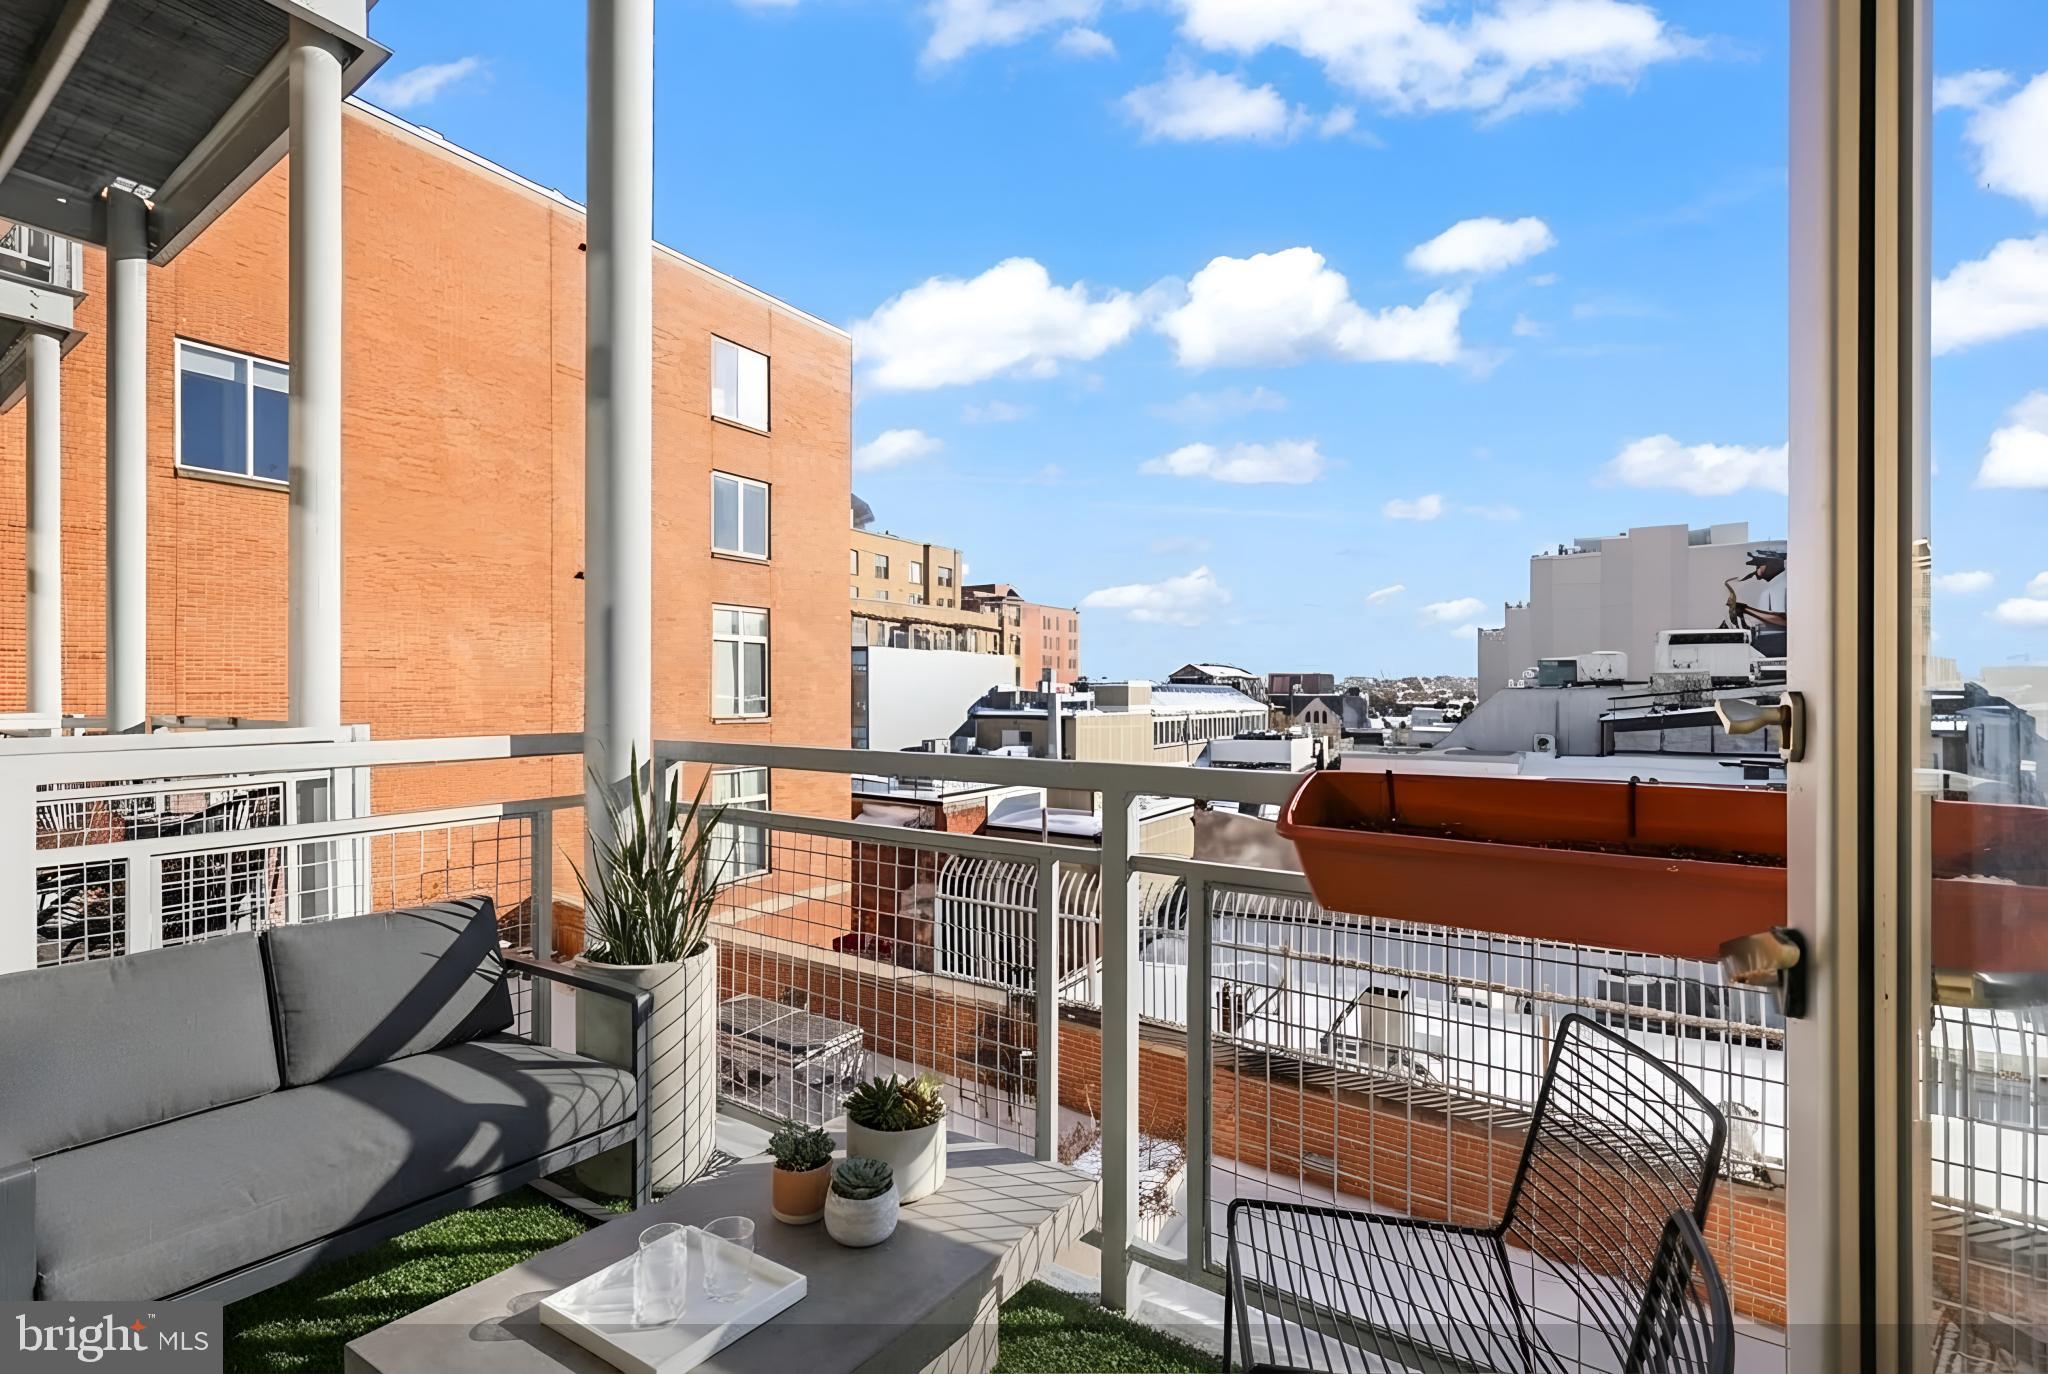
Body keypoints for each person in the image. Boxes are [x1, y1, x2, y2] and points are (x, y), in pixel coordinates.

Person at [1727, 548, 1788, 657]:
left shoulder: (1780, 586)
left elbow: (1784, 620)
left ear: (1773, 563)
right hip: (1770, 643)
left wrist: (1745, 609)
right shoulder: (1775, 585)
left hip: (1775, 644)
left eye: (1759, 565)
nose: (1756, 570)